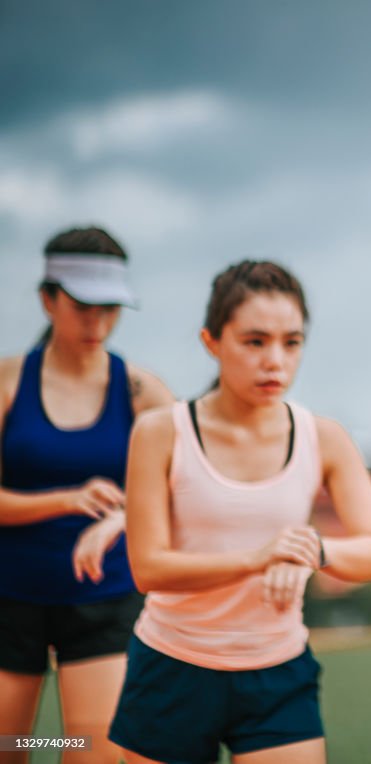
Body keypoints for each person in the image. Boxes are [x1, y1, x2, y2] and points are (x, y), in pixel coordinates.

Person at [108, 260, 371, 764]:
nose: (275, 362)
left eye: (292, 342)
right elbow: (148, 568)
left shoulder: (323, 437)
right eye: (254, 341)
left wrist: (312, 549)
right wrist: (261, 557)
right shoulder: (160, 433)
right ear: (211, 341)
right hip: (171, 666)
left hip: (278, 673)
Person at [0, 227, 173, 764]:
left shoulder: (142, 391)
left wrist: (119, 516)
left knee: (90, 752)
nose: (97, 321)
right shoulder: (8, 382)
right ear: (47, 299)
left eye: (110, 308)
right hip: (11, 599)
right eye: (83, 306)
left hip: (105, 599)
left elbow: (185, 484)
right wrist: (67, 500)